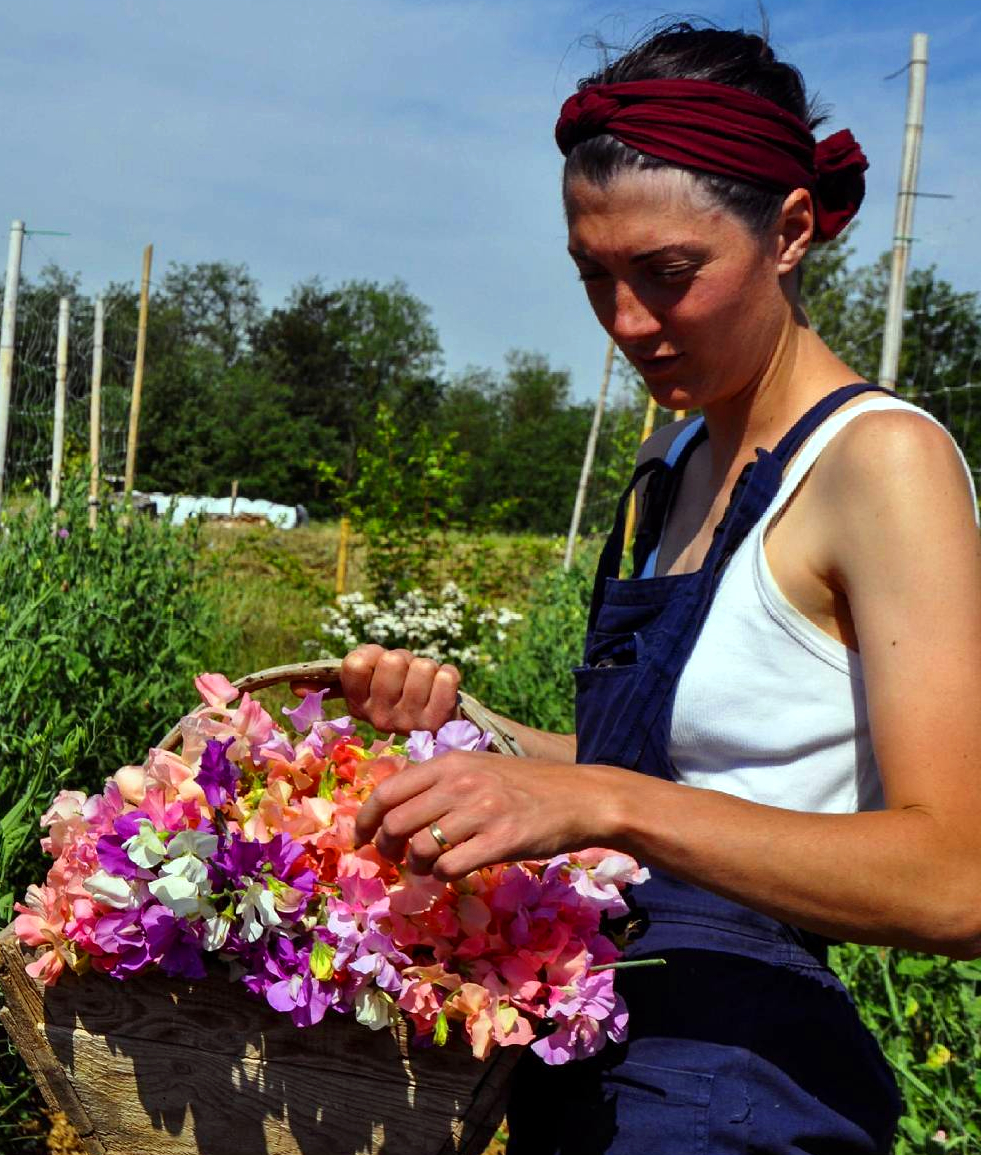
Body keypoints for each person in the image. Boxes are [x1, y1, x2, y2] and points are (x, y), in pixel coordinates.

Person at [313, 21, 981, 1153]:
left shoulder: (880, 461)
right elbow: (684, 772)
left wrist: (605, 806)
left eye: (668, 275)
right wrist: (470, 742)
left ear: (791, 230)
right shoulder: (676, 465)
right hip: (590, 1041)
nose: (625, 323)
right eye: (594, 277)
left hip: (737, 1082)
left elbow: (957, 877)